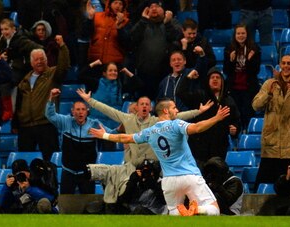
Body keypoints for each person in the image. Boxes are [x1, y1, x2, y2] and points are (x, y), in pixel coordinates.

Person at [88, 98, 231, 216]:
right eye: (174, 107)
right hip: (189, 175)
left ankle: (185, 212)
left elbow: (125, 138)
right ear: (166, 110)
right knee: (214, 209)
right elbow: (197, 127)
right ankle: (197, 209)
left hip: (169, 181)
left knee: (175, 214)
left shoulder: (149, 132)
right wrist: (216, 118)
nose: (177, 110)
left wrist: (104, 135)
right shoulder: (176, 124)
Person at [77, 88, 213, 166]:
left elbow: (179, 115)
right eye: (141, 104)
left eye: (147, 104)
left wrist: (198, 112)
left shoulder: (157, 121)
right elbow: (108, 110)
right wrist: (90, 100)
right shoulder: (127, 118)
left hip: (154, 165)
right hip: (133, 164)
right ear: (136, 107)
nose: (144, 106)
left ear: (151, 108)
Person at [45, 88, 117, 194]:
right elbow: (50, 115)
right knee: (66, 204)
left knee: (88, 206)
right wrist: (51, 99)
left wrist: (123, 126)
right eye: (77, 110)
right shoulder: (65, 121)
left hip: (87, 172)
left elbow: (112, 134)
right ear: (72, 111)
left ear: (87, 111)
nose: (80, 112)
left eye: (83, 109)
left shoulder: (95, 124)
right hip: (68, 171)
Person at [12, 35, 70, 161]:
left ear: (46, 60)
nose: (39, 62)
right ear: (31, 62)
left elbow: (64, 66)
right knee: (25, 162)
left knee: (51, 161)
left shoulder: (53, 74)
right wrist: (16, 122)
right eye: (36, 59)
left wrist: (62, 47)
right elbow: (19, 103)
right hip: (25, 127)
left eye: (42, 59)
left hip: (46, 124)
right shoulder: (24, 80)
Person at [252, 54, 290, 190]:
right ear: (280, 65)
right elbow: (256, 105)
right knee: (261, 187)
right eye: (284, 63)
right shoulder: (269, 84)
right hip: (271, 146)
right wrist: (268, 94)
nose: (286, 66)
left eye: (289, 63)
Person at [176, 66, 240, 166]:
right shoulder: (200, 96)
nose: (215, 79)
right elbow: (180, 93)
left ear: (222, 82)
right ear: (207, 81)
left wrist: (235, 129)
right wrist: (188, 78)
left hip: (219, 148)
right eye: (212, 77)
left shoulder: (229, 100)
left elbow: (236, 120)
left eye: (218, 77)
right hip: (199, 148)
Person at [130, 0, 182, 100]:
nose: (154, 8)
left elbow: (177, 39)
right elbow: (132, 39)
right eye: (151, 6)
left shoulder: (171, 22)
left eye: (157, 6)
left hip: (165, 74)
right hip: (144, 74)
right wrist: (143, 21)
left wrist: (167, 24)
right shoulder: (142, 23)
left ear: (164, 10)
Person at [0, 18, 43, 121]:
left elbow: (39, 48)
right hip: (8, 68)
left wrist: (27, 61)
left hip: (20, 71)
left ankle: (9, 111)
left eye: (6, 29)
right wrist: (2, 57)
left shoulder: (21, 40)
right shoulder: (2, 40)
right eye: (2, 29)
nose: (4, 32)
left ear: (13, 29)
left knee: (5, 82)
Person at [78, 60, 143, 129]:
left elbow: (140, 85)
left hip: (115, 125)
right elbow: (80, 76)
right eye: (110, 70)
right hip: (97, 123)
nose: (113, 72)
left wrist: (127, 72)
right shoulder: (95, 83)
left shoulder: (120, 86)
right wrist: (94, 64)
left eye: (115, 71)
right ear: (104, 73)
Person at [223, 23, 261, 131]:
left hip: (249, 88)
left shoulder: (254, 49)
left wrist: (249, 60)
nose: (241, 36)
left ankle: (247, 134)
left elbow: (256, 71)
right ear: (235, 35)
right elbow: (226, 70)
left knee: (247, 115)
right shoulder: (229, 48)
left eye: (243, 33)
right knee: (235, 116)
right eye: (238, 33)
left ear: (247, 34)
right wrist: (231, 61)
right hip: (233, 88)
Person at [86, 0, 130, 66]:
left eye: (120, 4)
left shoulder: (126, 21)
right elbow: (85, 33)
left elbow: (127, 43)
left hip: (114, 64)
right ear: (110, 4)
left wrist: (120, 28)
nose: (118, 6)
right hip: (95, 60)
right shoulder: (97, 16)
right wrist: (89, 19)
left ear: (123, 7)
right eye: (115, 3)